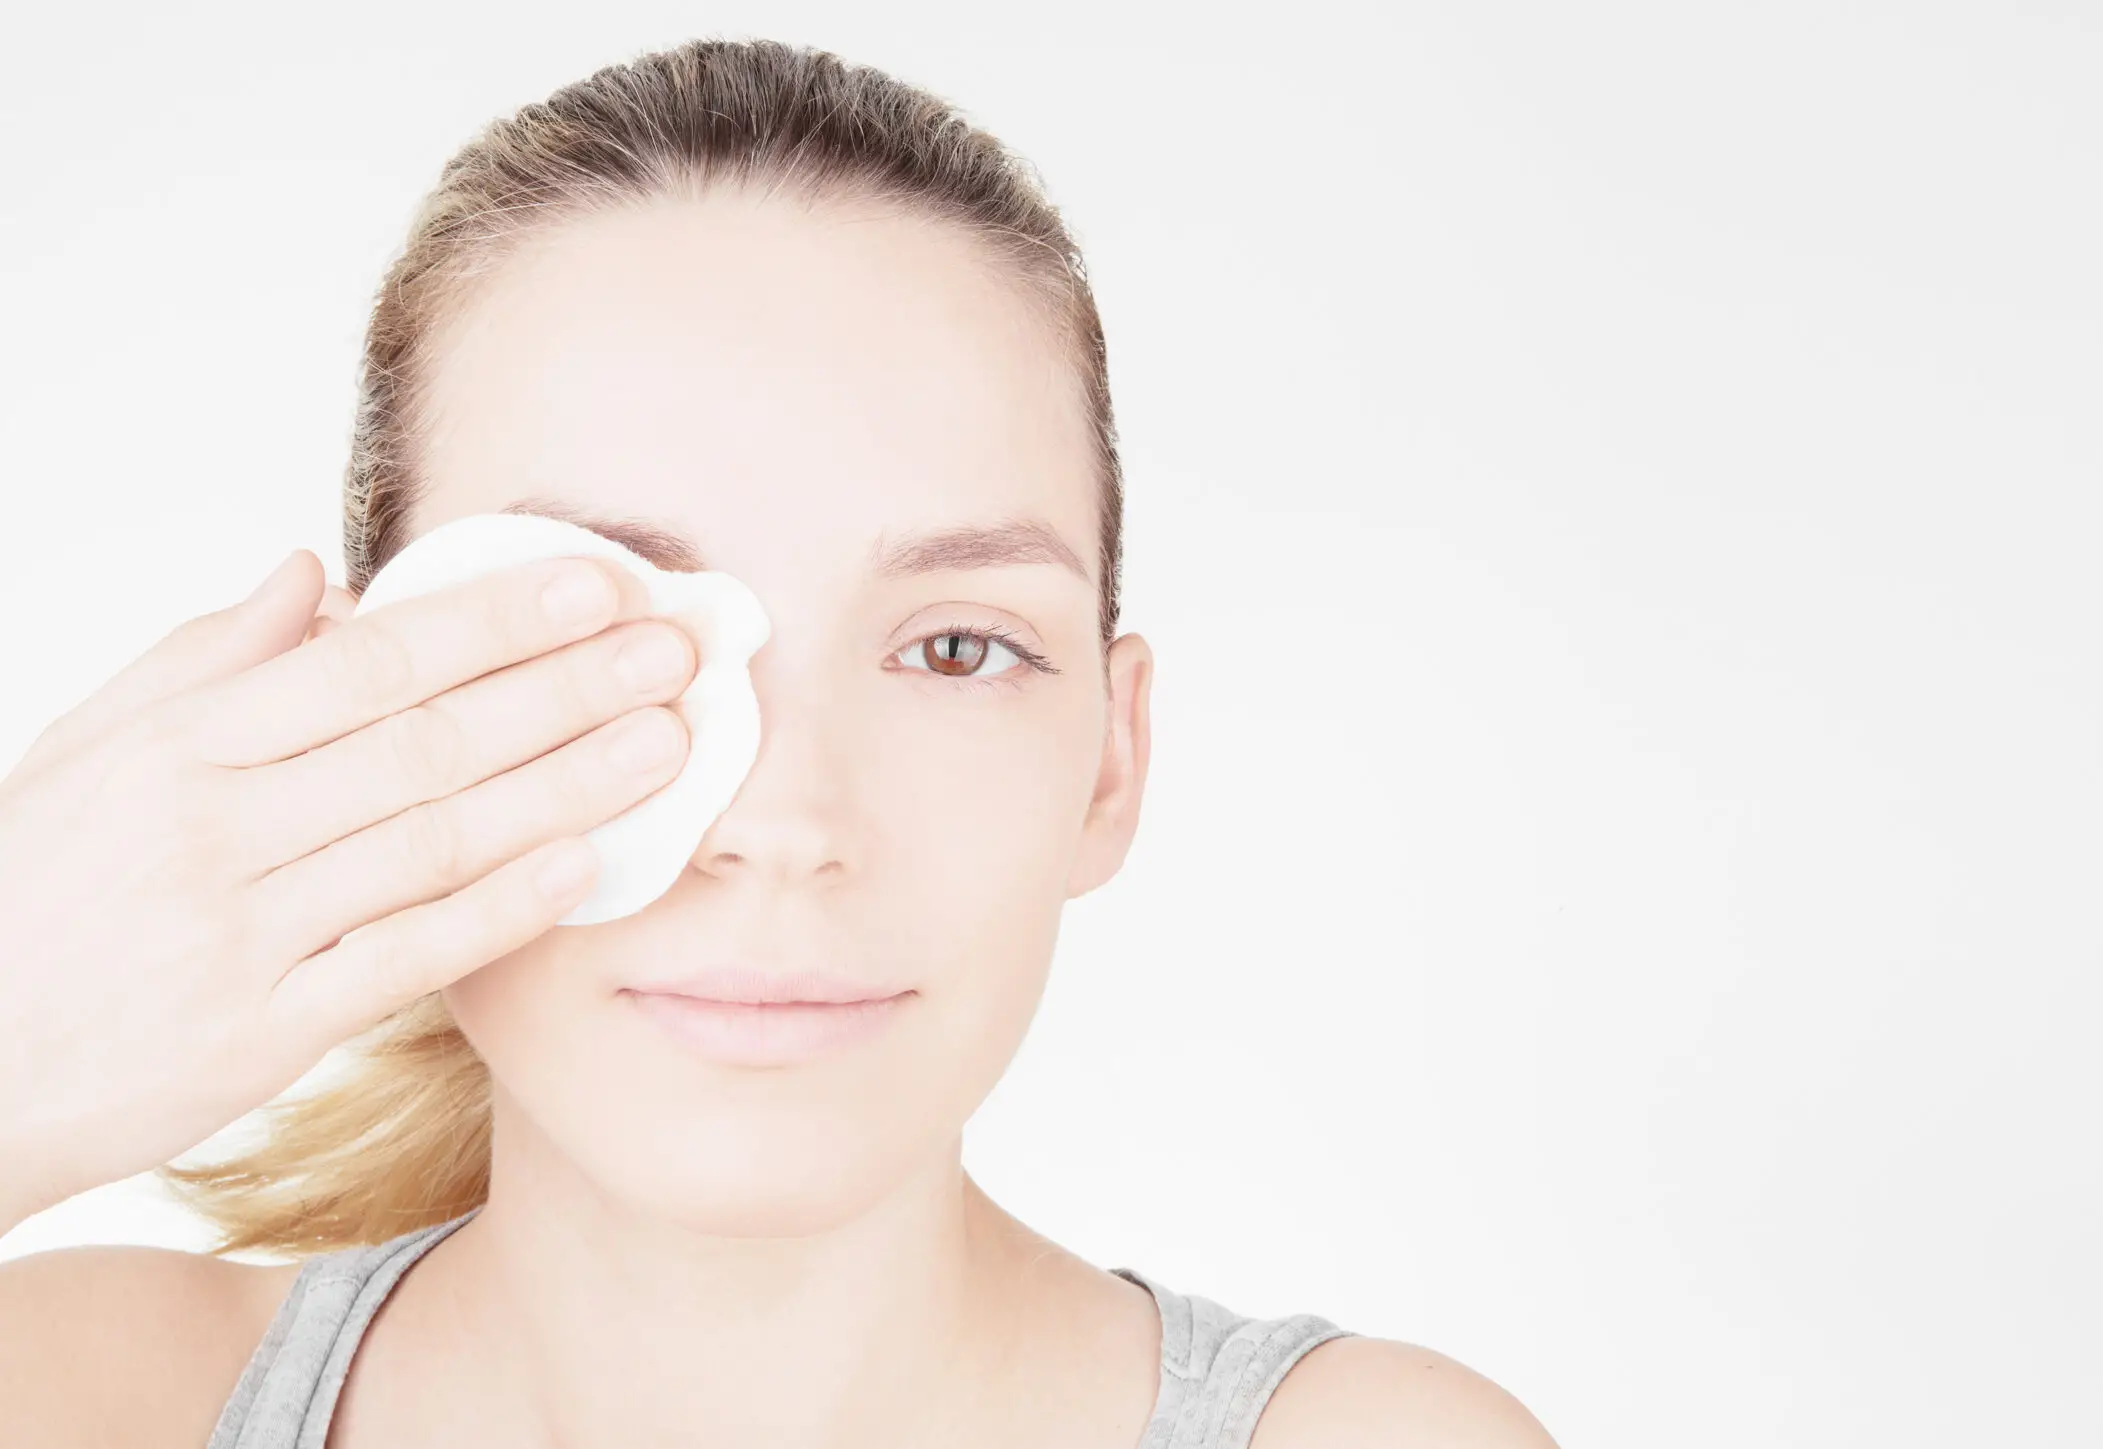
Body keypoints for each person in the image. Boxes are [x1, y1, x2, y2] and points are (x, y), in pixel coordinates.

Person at [0, 37, 1558, 1449]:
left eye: (956, 648)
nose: (785, 821)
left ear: (1110, 759)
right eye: (605, 643)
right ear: (362, 713)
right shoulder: (83, 1397)